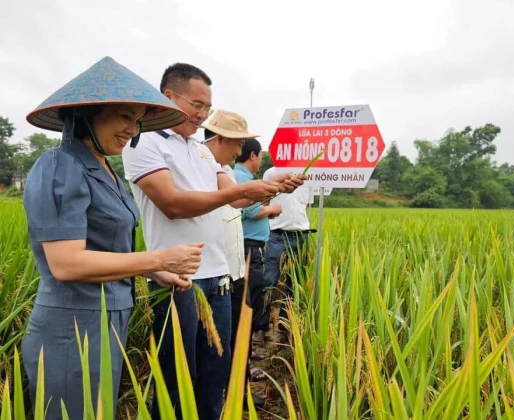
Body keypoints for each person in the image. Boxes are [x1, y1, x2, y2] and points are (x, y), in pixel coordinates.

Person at [21, 56, 203, 420]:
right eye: (124, 116)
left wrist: (154, 273)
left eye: (137, 121)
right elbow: (66, 263)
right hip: (72, 330)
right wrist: (159, 259)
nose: (133, 129)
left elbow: (106, 251)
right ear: (87, 114)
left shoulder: (106, 169)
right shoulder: (60, 165)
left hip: (109, 321)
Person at [121, 63, 303, 420]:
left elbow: (234, 198)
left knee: (213, 377)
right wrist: (246, 190)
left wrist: (271, 187)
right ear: (168, 97)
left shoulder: (202, 151)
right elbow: (172, 204)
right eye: (197, 105)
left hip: (218, 279)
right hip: (177, 280)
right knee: (176, 380)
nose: (202, 114)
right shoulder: (143, 143)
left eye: (207, 108)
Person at [202, 110, 269, 408]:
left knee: (234, 339)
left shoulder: (225, 172)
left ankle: (236, 397)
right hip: (211, 274)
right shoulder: (199, 167)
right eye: (237, 144)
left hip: (232, 271)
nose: (241, 151)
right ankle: (220, 401)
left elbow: (240, 200)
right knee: (215, 348)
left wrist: (272, 187)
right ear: (220, 138)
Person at [234, 140, 282, 346]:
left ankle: (246, 353)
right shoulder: (242, 179)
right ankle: (245, 354)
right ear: (252, 155)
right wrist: (273, 210)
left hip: (248, 247)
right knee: (248, 298)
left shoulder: (239, 176)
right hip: (248, 248)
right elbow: (252, 212)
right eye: (261, 155)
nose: (261, 160)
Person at [263, 166, 314, 340]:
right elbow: (265, 202)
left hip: (301, 235)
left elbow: (305, 205)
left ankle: (284, 325)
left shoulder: (308, 174)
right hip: (277, 234)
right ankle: (261, 325)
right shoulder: (272, 172)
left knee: (295, 282)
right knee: (269, 279)